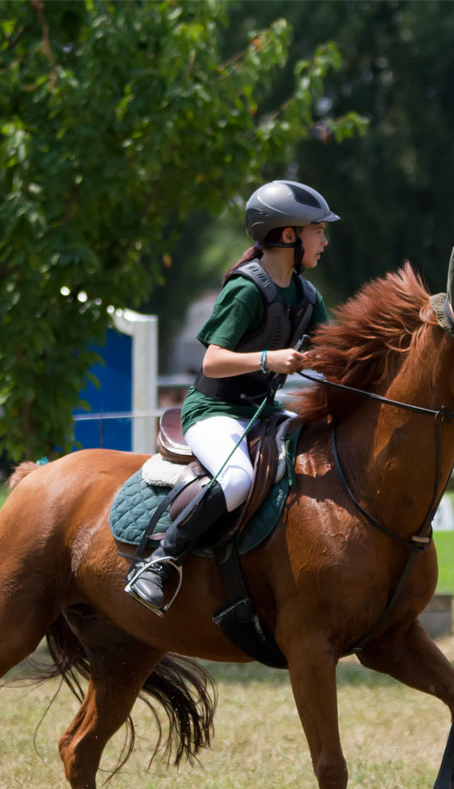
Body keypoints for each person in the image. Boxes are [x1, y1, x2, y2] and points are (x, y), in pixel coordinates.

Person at [125, 179, 337, 614]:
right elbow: (213, 361)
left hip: (265, 412)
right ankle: (160, 560)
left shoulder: (307, 296)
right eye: (318, 230)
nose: (325, 241)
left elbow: (335, 354)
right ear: (289, 235)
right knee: (237, 480)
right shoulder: (246, 289)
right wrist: (270, 359)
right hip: (214, 412)